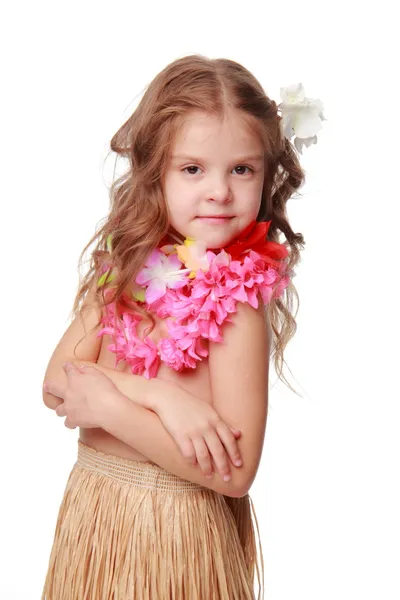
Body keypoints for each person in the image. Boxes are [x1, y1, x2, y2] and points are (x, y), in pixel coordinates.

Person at [41, 54, 324, 599]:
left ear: (266, 175)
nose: (219, 191)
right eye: (193, 169)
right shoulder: (126, 270)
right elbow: (56, 383)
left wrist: (113, 409)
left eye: (241, 169)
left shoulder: (239, 305)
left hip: (177, 533)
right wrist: (160, 397)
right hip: (97, 521)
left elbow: (235, 476)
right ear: (156, 173)